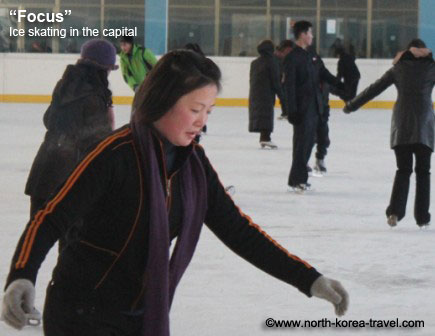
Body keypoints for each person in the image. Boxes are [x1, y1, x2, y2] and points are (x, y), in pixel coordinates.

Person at [2, 50, 348, 335]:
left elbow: (238, 230)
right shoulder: (114, 155)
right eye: (195, 110)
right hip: (81, 316)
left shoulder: (192, 165)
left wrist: (309, 279)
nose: (202, 122)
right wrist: (22, 275)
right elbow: (50, 218)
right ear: (162, 102)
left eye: (208, 111)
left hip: (141, 316)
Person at [24, 38, 117, 250]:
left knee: (32, 245)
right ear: (103, 69)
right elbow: (97, 143)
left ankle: (19, 281)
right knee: (71, 250)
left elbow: (49, 120)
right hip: (69, 183)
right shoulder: (94, 97)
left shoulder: (65, 85)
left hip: (43, 175)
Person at [344, 39, 434, 227]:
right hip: (425, 126)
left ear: (407, 51)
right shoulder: (431, 68)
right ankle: (422, 218)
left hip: (401, 125)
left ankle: (394, 212)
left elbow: (373, 89)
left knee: (403, 170)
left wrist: (352, 105)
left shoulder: (398, 68)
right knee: (423, 172)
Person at [283, 21, 343, 192]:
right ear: (302, 35)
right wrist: (291, 111)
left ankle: (298, 179)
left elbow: (323, 73)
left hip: (315, 106)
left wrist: (339, 83)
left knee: (308, 144)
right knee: (302, 145)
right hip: (302, 110)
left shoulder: (312, 55)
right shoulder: (292, 58)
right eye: (310, 33)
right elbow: (289, 87)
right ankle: (297, 181)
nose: (312, 36)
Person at [249, 40, 286, 149]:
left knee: (261, 114)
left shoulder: (255, 62)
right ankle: (265, 138)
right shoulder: (272, 62)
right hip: (266, 92)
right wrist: (282, 96)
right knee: (266, 114)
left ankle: (264, 137)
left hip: (255, 92)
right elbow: (275, 81)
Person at [275, 39, 294, 120]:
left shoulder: (288, 56)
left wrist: (284, 75)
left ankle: (287, 112)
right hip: (280, 78)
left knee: (285, 96)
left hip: (285, 78)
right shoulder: (278, 57)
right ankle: (286, 112)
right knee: (283, 96)